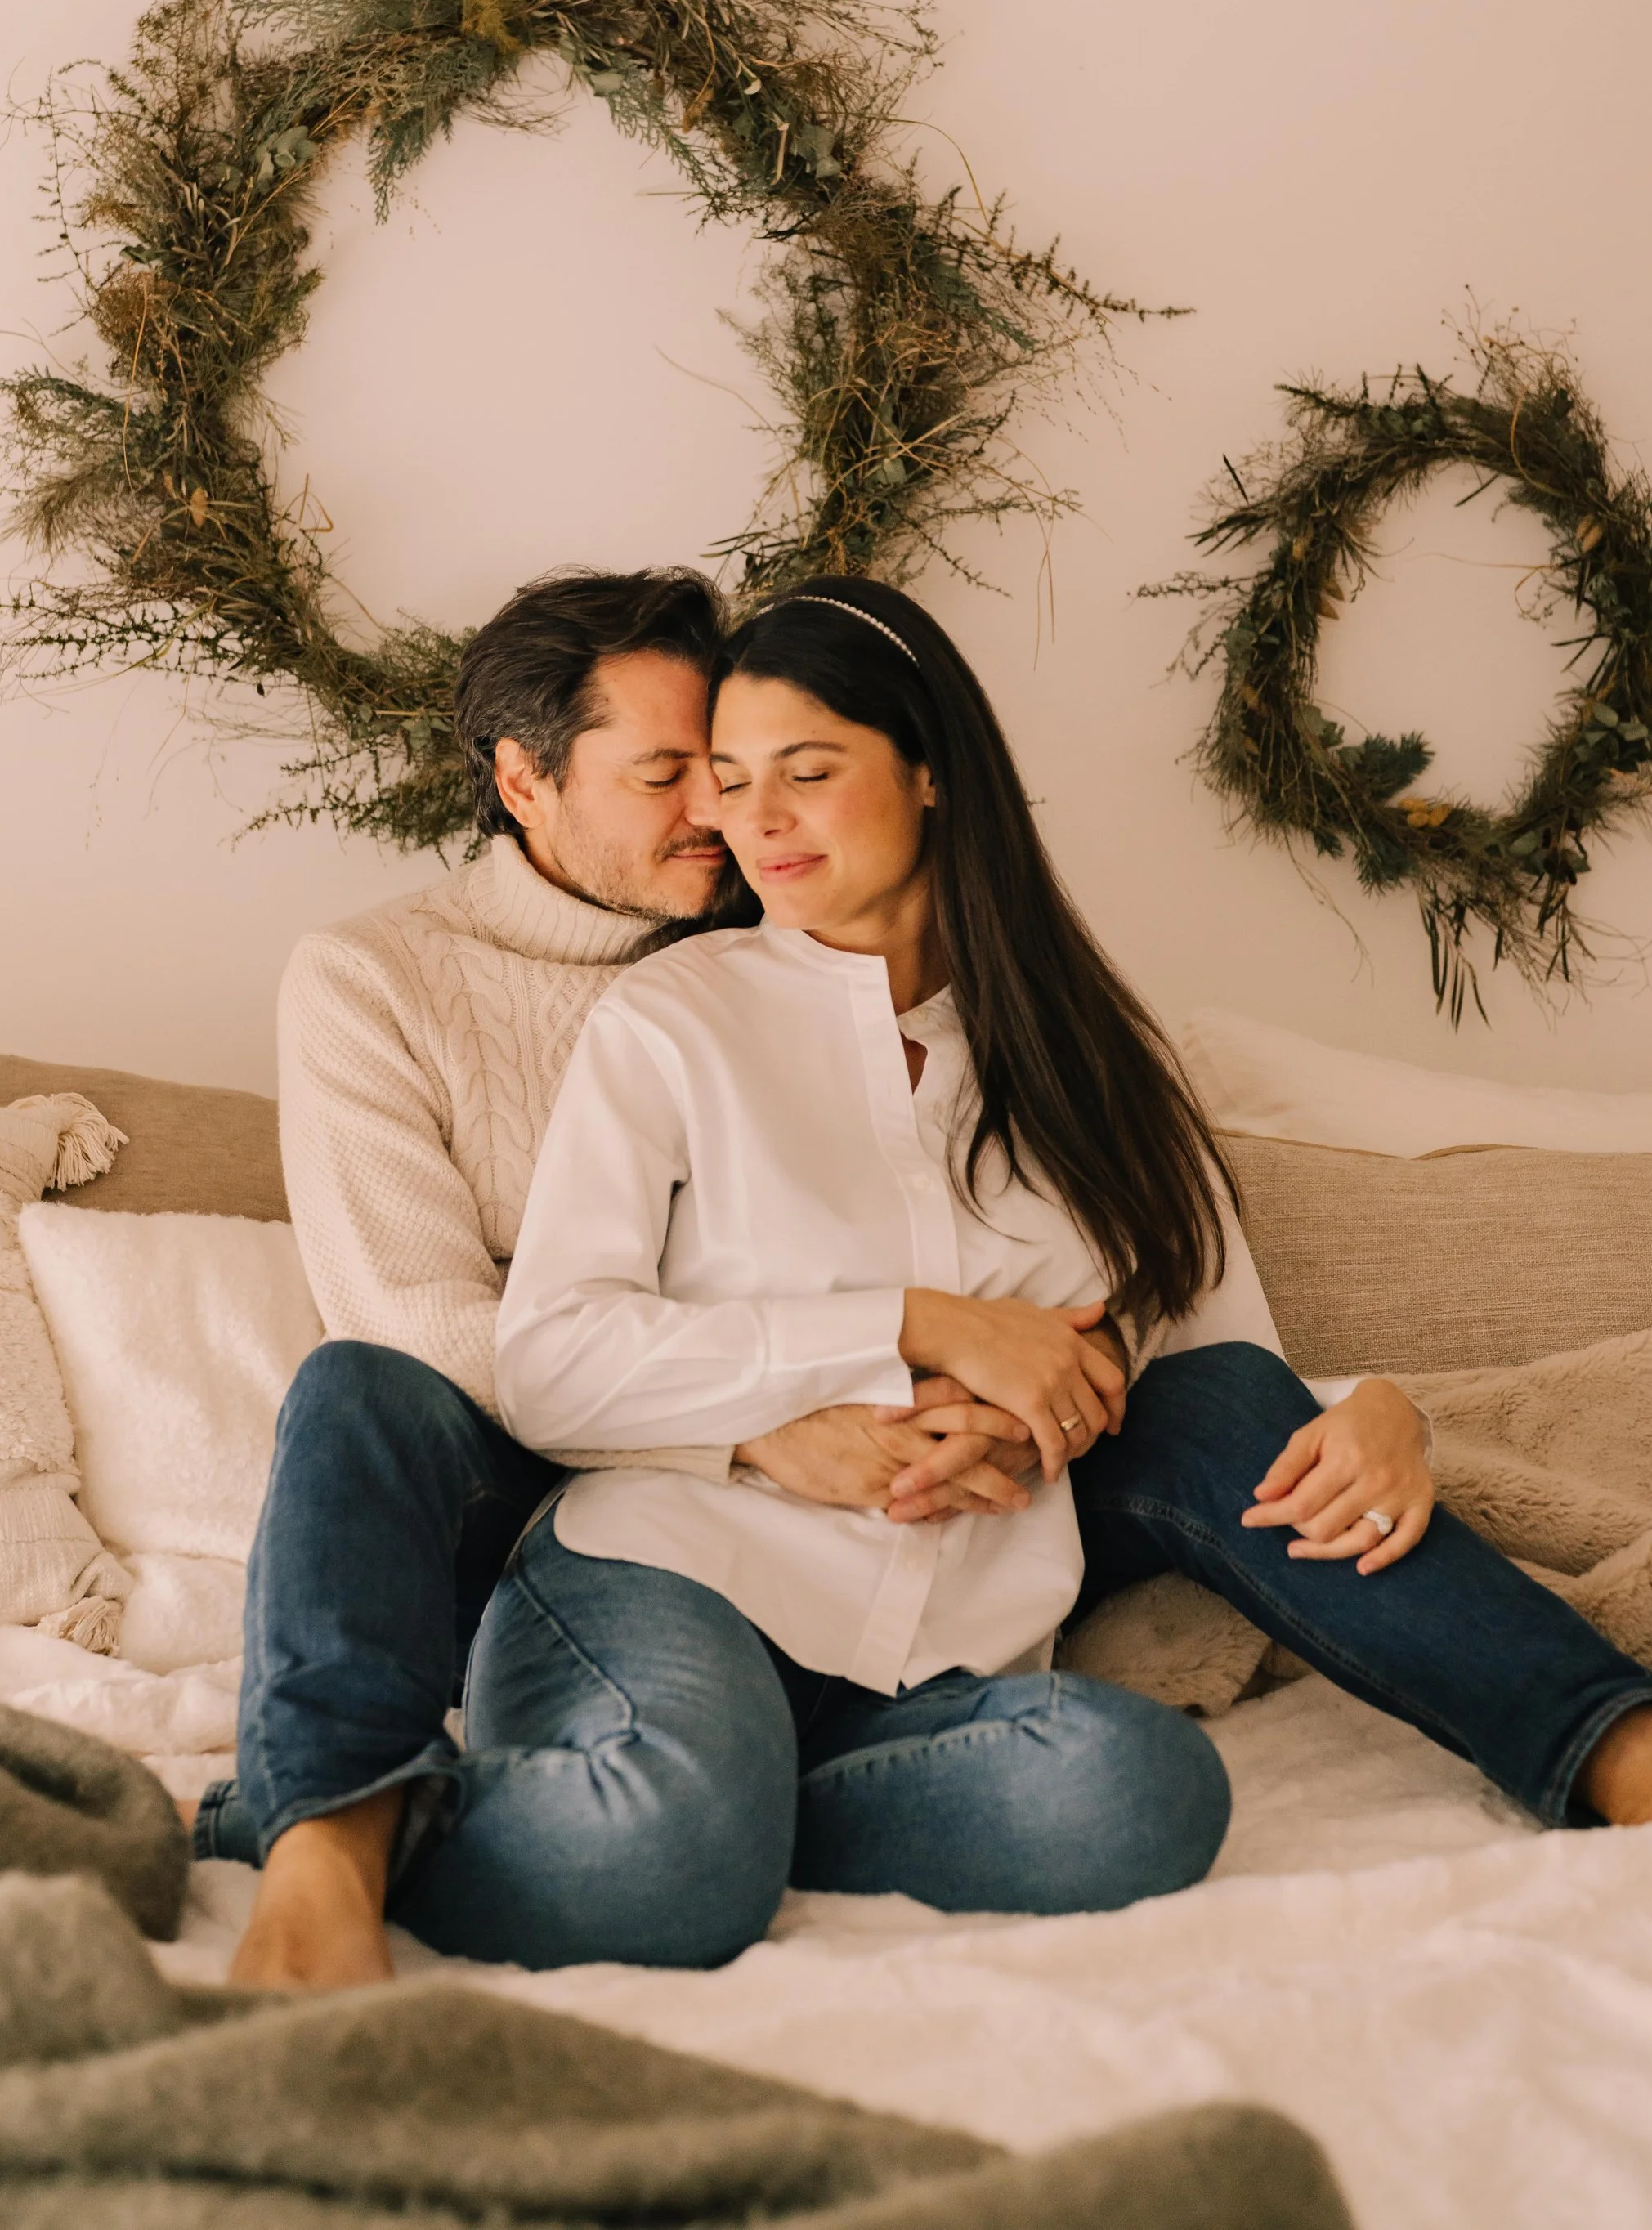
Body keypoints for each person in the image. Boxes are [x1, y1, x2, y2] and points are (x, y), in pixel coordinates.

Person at [204, 567, 1032, 1986]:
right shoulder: (369, 978)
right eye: (665, 774)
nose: (721, 811)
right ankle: (321, 1842)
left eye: (724, 765)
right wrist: (748, 1431)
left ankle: (710, 1809)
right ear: (523, 779)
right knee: (358, 1387)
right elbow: (418, 1320)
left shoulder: (787, 936)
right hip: (531, 1474)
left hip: (760, 1517)